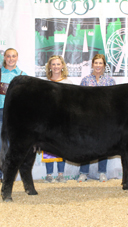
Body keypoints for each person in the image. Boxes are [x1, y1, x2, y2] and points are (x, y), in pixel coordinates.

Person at [0, 48, 27, 185]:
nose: (11, 58)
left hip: (15, 116)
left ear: (17, 57)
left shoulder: (22, 75)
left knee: (11, 147)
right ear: (4, 57)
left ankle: (8, 176)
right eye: (8, 56)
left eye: (14, 56)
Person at [77, 54, 116, 183]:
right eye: (96, 63)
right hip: (87, 118)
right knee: (85, 145)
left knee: (104, 145)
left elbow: (113, 102)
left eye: (101, 63)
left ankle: (102, 172)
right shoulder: (85, 80)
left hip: (105, 119)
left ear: (104, 66)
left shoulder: (110, 81)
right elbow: (80, 101)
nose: (98, 66)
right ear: (92, 65)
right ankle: (83, 173)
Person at [42, 55, 72, 183]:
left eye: (58, 64)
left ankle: (60, 174)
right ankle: (49, 175)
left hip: (63, 121)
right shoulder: (44, 84)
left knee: (61, 147)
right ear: (49, 67)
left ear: (62, 66)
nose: (56, 67)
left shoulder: (68, 83)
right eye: (53, 64)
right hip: (48, 121)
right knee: (48, 146)